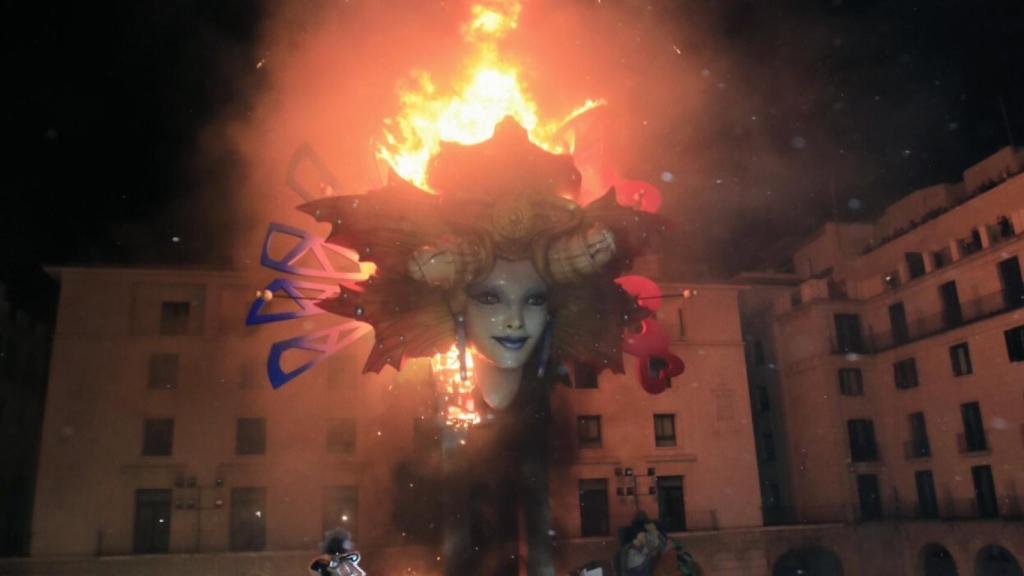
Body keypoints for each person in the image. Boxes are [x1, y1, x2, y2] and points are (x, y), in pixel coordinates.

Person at [302, 118, 662, 576]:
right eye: (489, 297)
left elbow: (536, 510)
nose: (514, 319)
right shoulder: (449, 388)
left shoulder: (541, 382)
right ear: (457, 303)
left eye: (533, 299)